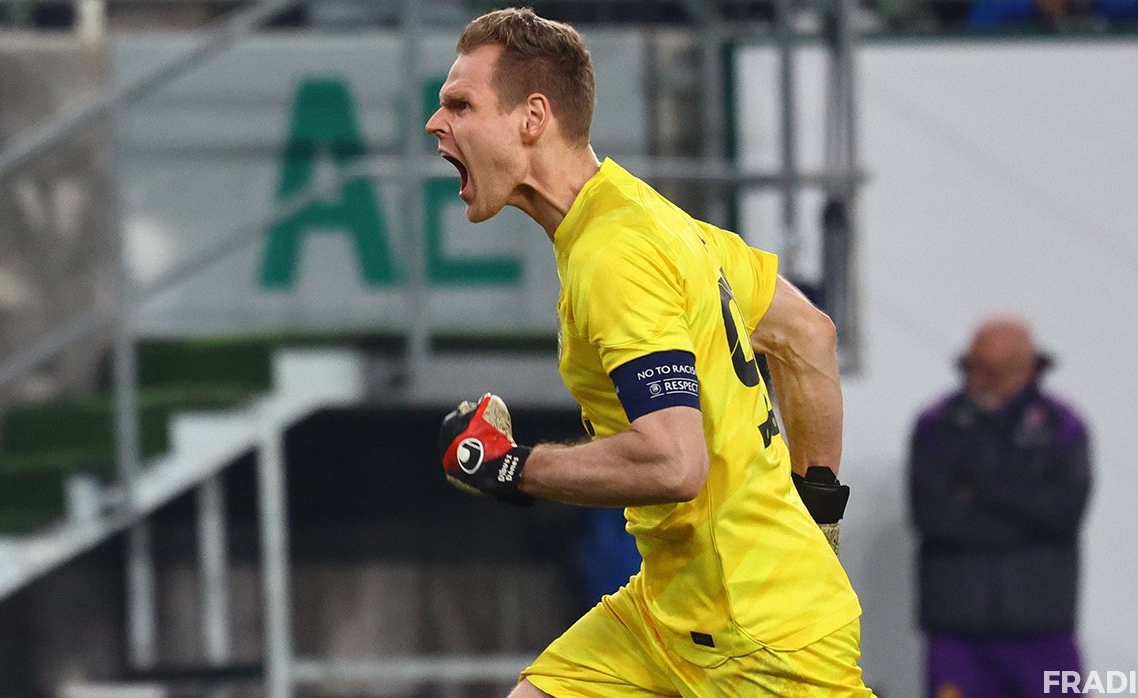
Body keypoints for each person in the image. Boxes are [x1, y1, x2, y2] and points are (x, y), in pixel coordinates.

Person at [426, 8, 872, 696]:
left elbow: (674, 463)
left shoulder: (614, 255)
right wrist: (817, 520)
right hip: (669, 608)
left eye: (460, 105)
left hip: (755, 635)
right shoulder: (644, 216)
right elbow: (805, 335)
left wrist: (513, 467)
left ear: (533, 117)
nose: (436, 123)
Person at [909, 316, 1092, 698]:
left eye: (990, 371)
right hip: (958, 631)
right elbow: (933, 517)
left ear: (1026, 370)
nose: (976, 379)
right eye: (971, 366)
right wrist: (1025, 510)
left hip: (1042, 629)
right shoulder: (937, 425)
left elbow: (1063, 515)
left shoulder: (1062, 427)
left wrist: (977, 491)